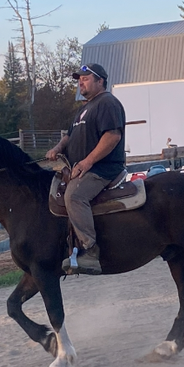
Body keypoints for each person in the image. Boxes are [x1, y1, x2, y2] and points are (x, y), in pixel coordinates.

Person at [46, 63, 126, 273]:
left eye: (86, 77)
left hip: (102, 169)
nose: (81, 81)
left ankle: (90, 250)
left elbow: (112, 136)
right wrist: (57, 147)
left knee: (74, 196)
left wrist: (87, 161)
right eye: (79, 78)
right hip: (82, 168)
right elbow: (69, 135)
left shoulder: (107, 103)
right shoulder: (84, 108)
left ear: (101, 81)